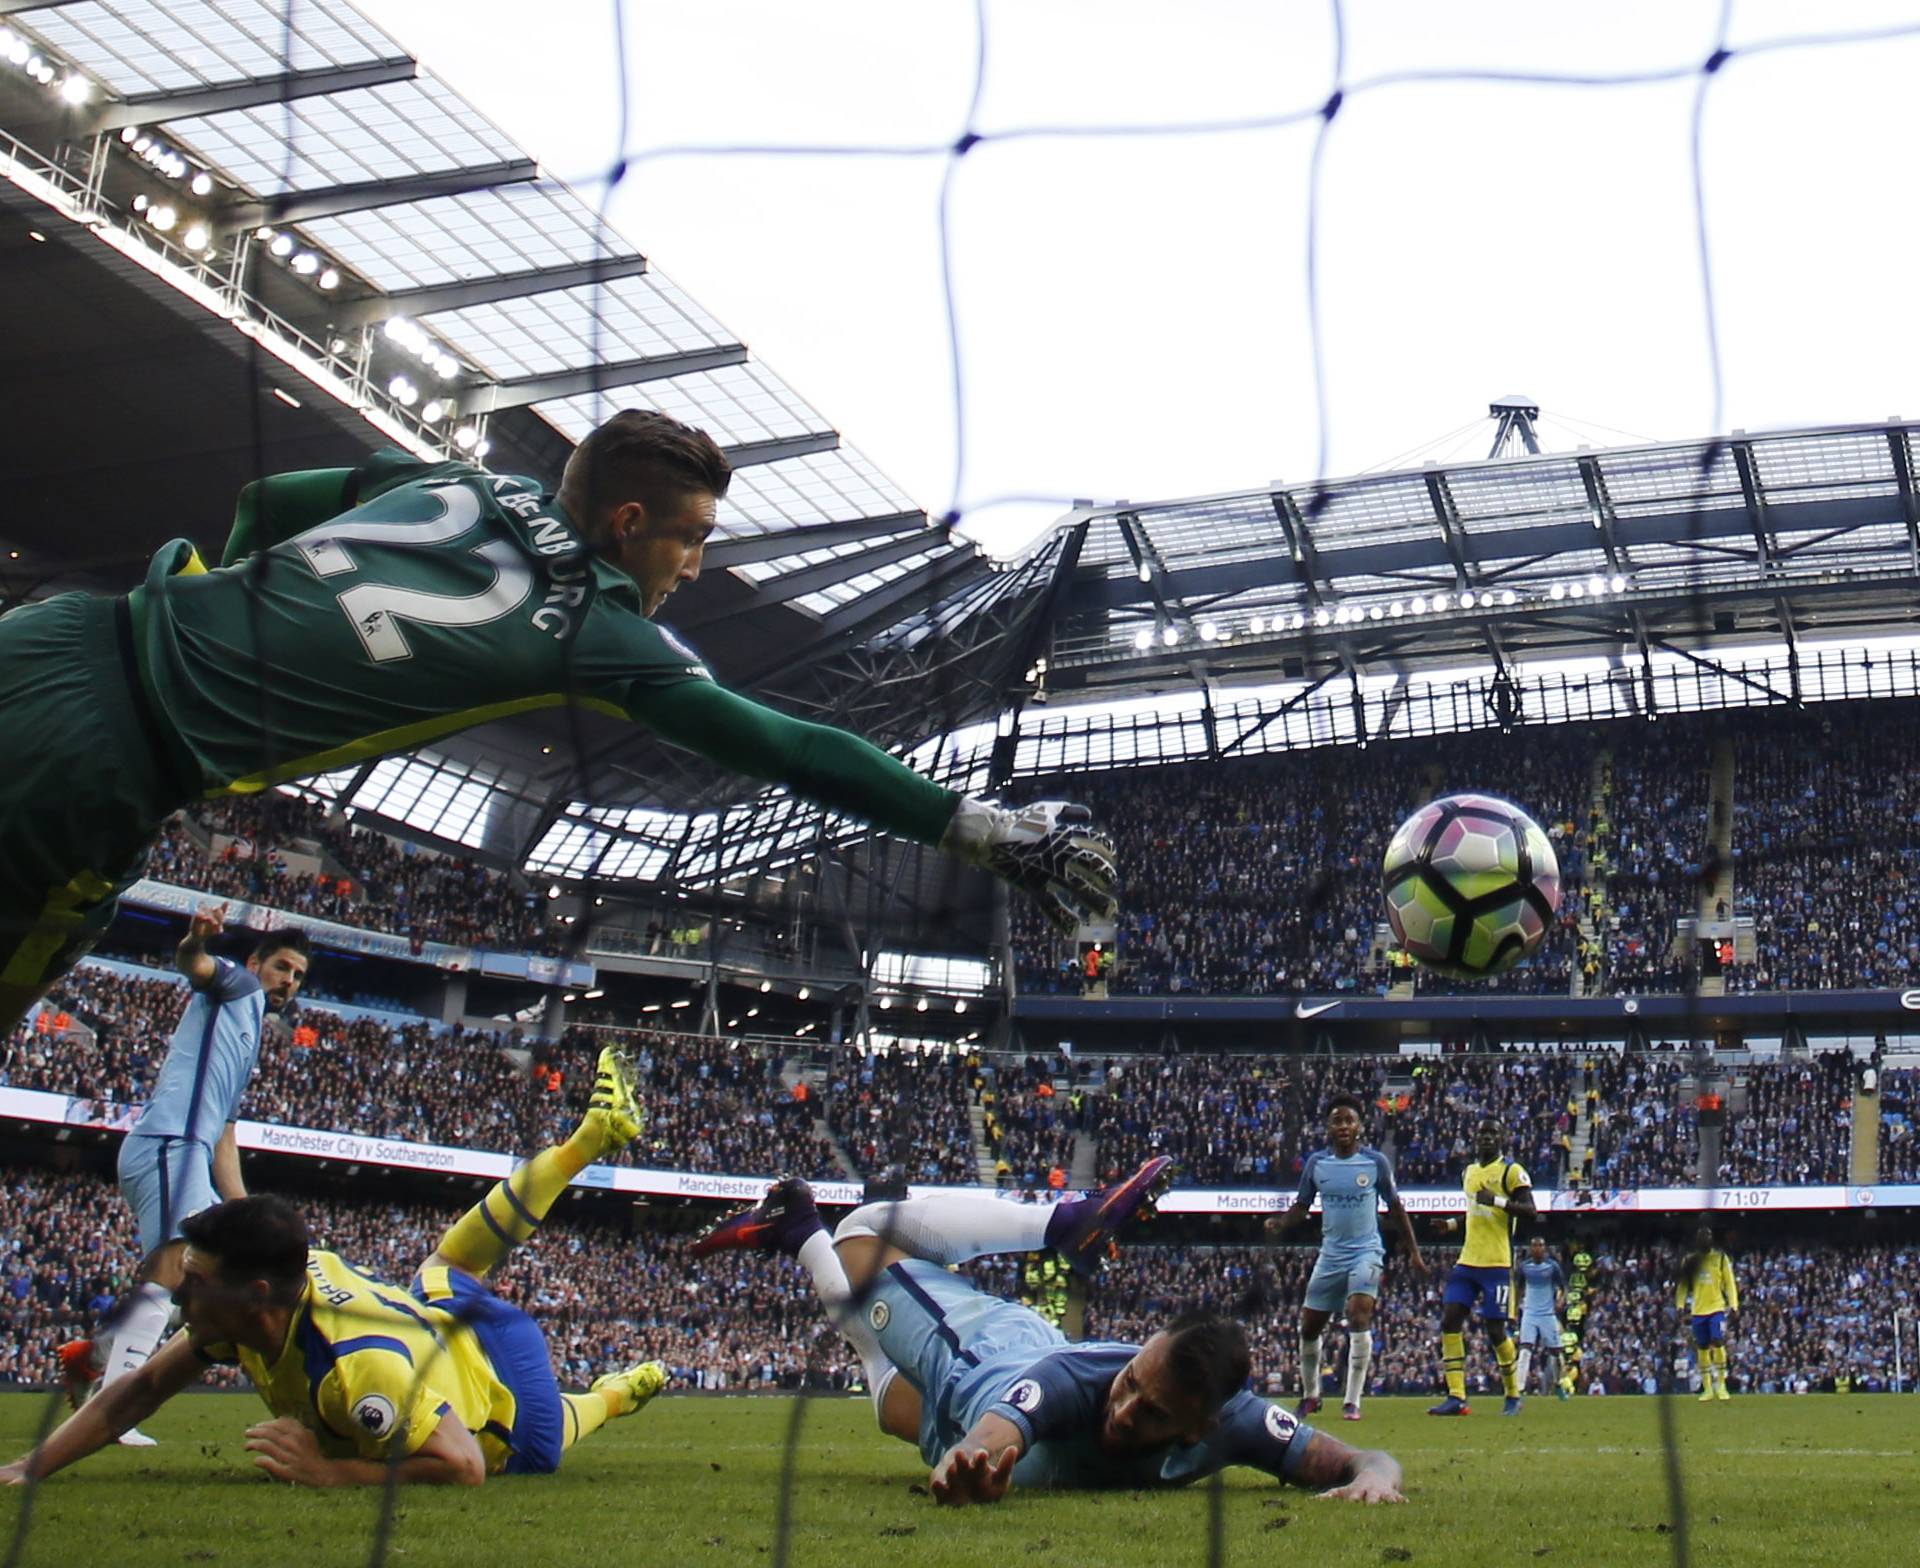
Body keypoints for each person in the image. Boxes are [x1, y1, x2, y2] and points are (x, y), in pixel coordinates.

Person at [0, 409, 1118, 1034]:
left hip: (62, 634)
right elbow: (789, 746)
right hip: (105, 763)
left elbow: (263, 507)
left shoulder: (468, 481)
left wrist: (248, 621)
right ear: (629, 523)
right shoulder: (600, 627)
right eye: (690, 539)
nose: (697, 563)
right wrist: (990, 831)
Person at [4, 1049, 664, 1487]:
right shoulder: (258, 1294)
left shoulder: (355, 1368)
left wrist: (331, 1472)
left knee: (556, 1427)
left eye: (197, 1279)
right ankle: (586, 1142)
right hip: (437, 1317)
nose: (183, 1290)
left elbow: (462, 1466)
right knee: (444, 1262)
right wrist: (30, 1467)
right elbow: (143, 1387)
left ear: (253, 1294)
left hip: (506, 1402)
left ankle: (613, 1394)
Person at [692, 1161, 1404, 1504]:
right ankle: (1062, 1223)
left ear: (1201, 1428)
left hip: (957, 1402)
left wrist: (1373, 1478)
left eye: (1151, 1411)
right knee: (864, 1238)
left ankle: (795, 1225)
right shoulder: (1070, 1386)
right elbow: (995, 1435)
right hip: (986, 1355)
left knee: (881, 1394)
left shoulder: (1236, 1421)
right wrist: (965, 1468)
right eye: (1131, 1386)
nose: (1122, 1410)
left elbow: (1356, 1458)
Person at [57, 905, 309, 1445]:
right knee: (177, 1270)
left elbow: (225, 1136)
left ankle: (93, 1357)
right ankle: (113, 1404)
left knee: (198, 1280)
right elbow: (194, 964)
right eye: (283, 967)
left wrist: (248, 1210)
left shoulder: (248, 1040)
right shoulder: (237, 987)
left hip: (187, 1151)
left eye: (298, 975)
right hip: (168, 1144)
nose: (289, 981)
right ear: (256, 963)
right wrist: (196, 940)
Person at [1264, 1092, 1427, 1421]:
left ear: (1359, 1127)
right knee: (1309, 1328)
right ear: (1328, 1127)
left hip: (1366, 1251)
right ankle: (1311, 1395)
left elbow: (1396, 1208)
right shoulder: (1317, 1164)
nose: (1343, 1126)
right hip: (1331, 1254)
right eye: (1337, 1120)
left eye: (1349, 1120)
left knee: (1358, 1313)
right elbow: (1301, 1207)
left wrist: (1414, 1252)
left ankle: (1352, 1401)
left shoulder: (1375, 1162)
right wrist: (1280, 1222)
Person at [1429, 1117, 1535, 1417]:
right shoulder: (1470, 1172)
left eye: (1493, 1133)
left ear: (1502, 1138)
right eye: (1482, 1133)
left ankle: (1514, 1395)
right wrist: (1450, 1224)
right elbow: (1473, 1211)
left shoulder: (1511, 1171)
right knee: (1450, 1321)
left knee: (1496, 1331)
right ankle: (1456, 1397)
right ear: (1475, 1139)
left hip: (1497, 1264)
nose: (1487, 1138)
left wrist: (1498, 1202)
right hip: (1467, 1261)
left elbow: (1530, 1211)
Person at [1675, 1226, 1739, 1402]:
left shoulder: (1720, 1259)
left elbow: (1730, 1283)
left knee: (1718, 1340)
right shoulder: (1690, 1260)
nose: (1705, 1240)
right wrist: (1680, 1305)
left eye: (1708, 1237)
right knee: (1702, 1347)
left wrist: (1733, 1305)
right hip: (1698, 1311)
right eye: (1702, 1237)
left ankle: (1722, 1385)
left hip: (1717, 1308)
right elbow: (1682, 1285)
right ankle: (1708, 1388)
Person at [1512, 1235, 1568, 1400]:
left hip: (1547, 1314)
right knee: (1525, 1350)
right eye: (1534, 1246)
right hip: (1529, 1313)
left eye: (1540, 1246)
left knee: (1556, 1352)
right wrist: (1514, 1310)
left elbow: (1563, 1287)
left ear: (1544, 1248)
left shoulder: (1552, 1267)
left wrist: (1560, 1299)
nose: (1537, 1249)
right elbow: (1518, 1288)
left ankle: (1558, 1385)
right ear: (1531, 1249)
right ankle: (1519, 1390)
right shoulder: (1525, 1267)